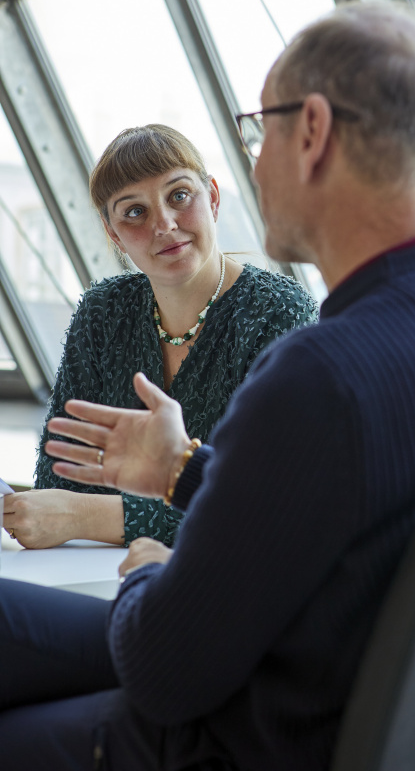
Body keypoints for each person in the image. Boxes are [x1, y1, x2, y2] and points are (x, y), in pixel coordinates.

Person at [2, 0, 415, 771]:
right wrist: (184, 470)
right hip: (347, 707)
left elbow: (163, 667)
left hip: (241, 733)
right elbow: (348, 509)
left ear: (310, 132)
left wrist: (149, 569)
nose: (251, 164)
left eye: (257, 131)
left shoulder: (323, 376)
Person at [2, 124, 317, 549]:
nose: (164, 224)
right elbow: (59, 478)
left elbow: (267, 502)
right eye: (134, 212)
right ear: (113, 234)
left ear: (214, 198)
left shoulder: (278, 313)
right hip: (99, 571)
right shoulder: (102, 312)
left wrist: (86, 516)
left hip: (223, 583)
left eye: (179, 196)